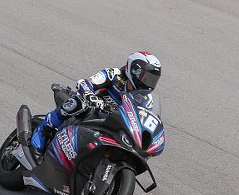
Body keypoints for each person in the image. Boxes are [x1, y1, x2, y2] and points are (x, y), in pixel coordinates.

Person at [29, 52, 162, 156]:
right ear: (135, 71)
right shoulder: (114, 75)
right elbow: (85, 83)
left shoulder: (147, 98)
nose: (149, 83)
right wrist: (92, 97)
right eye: (147, 77)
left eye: (153, 80)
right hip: (91, 110)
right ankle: (44, 129)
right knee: (79, 102)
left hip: (113, 121)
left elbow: (143, 117)